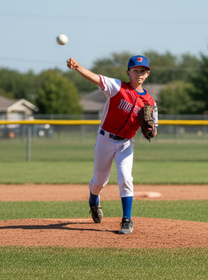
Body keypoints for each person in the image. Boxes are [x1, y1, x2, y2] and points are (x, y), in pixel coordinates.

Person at [66, 55, 158, 235]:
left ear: (147, 74)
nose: (139, 73)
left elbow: (154, 130)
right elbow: (95, 78)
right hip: (105, 140)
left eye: (143, 71)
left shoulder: (150, 102)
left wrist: (150, 130)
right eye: (135, 70)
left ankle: (127, 220)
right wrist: (77, 67)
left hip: (126, 144)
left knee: (126, 178)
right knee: (99, 182)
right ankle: (94, 200)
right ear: (128, 72)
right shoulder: (117, 87)